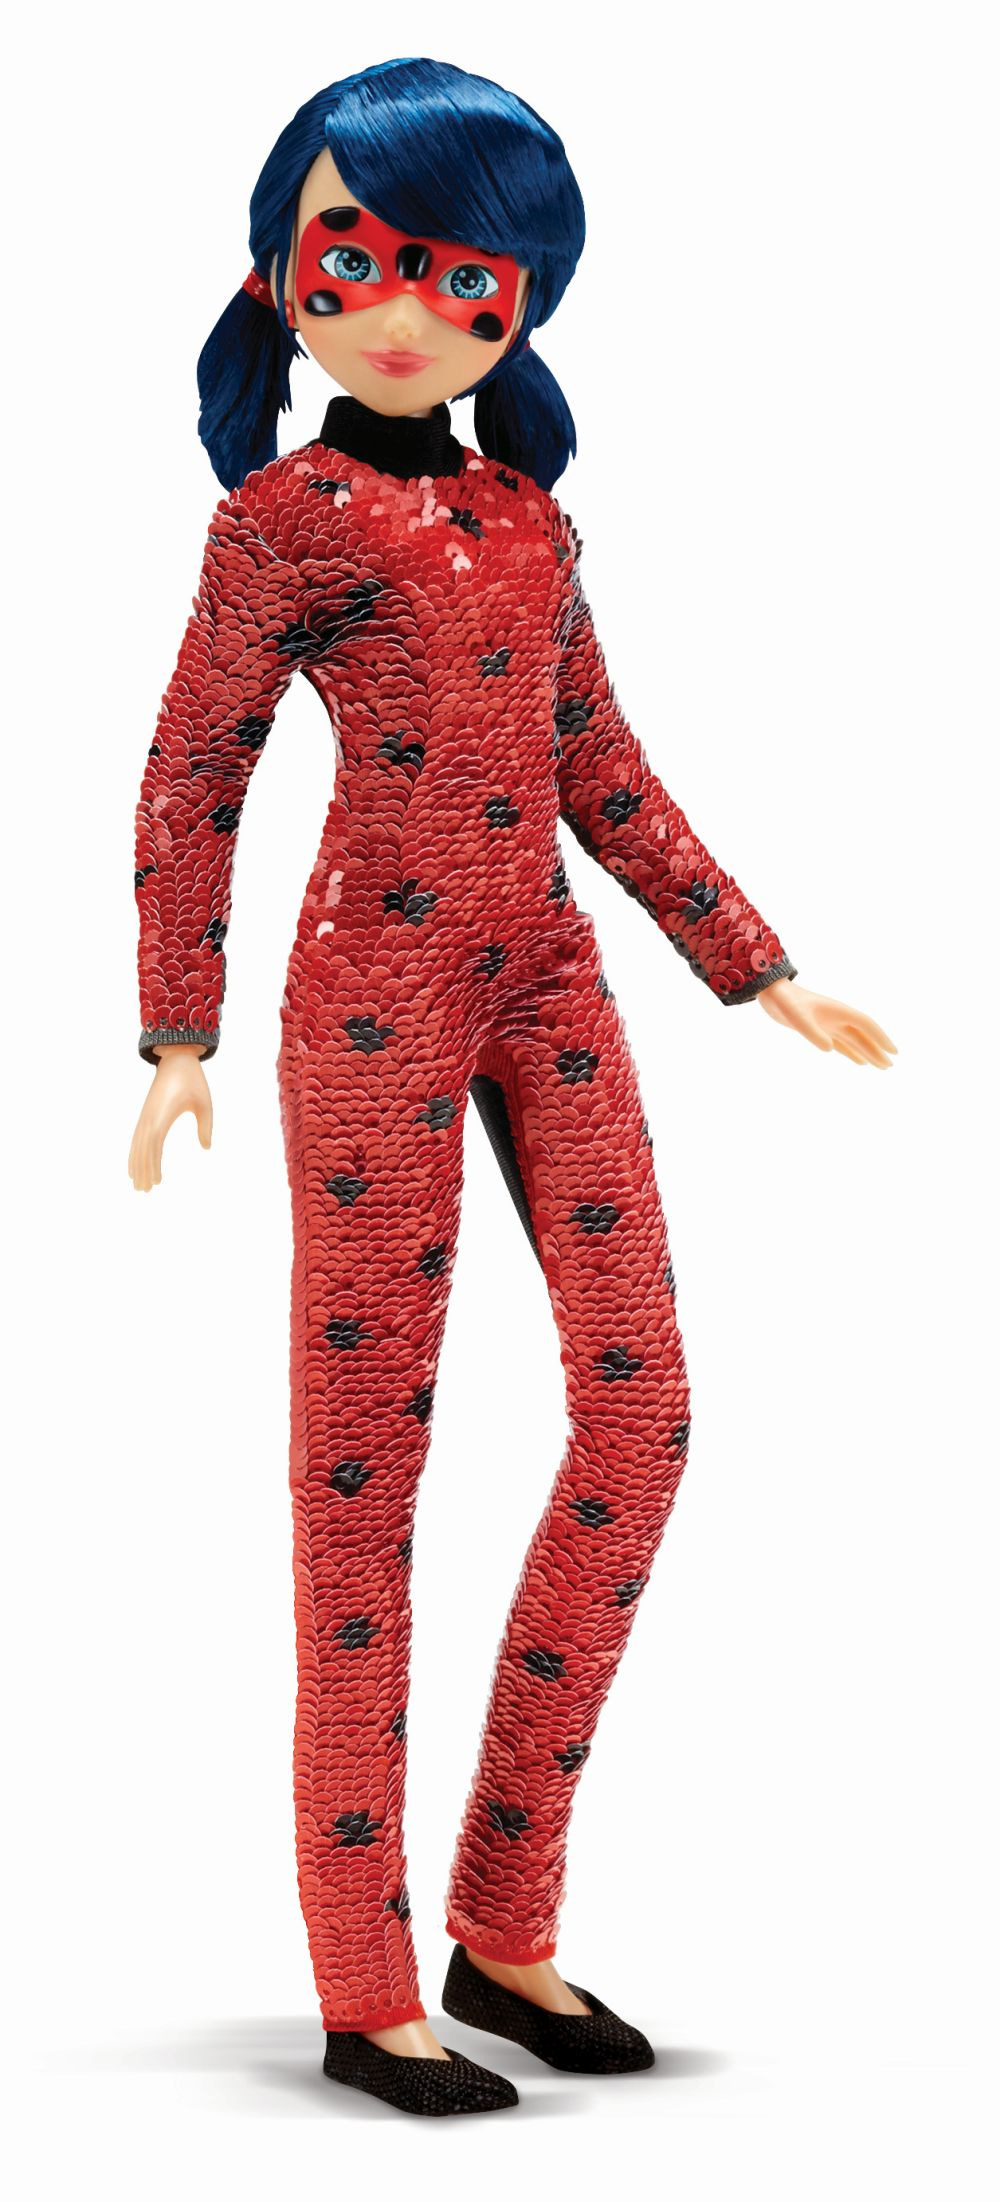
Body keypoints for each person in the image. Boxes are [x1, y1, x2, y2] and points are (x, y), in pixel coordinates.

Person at [128, 57, 896, 2118]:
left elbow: (599, 768)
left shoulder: (528, 522)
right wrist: (179, 1029)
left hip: (545, 973)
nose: (404, 315)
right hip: (369, 995)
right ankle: (361, 1975)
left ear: (524, 300)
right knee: (360, 1481)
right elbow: (195, 773)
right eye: (355, 266)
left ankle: (505, 1916)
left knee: (642, 1413)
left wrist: (755, 966)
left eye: (463, 281)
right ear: (280, 274)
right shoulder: (281, 524)